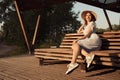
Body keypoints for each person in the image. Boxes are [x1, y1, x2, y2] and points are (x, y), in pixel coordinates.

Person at [65, 10, 102, 74]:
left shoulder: (92, 23)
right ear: (85, 17)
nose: (88, 16)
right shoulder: (86, 26)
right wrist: (83, 24)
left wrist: (78, 39)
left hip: (94, 40)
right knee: (75, 46)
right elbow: (78, 31)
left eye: (89, 15)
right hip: (88, 41)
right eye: (87, 15)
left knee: (75, 44)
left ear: (92, 17)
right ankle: (87, 56)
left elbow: (87, 35)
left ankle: (73, 63)